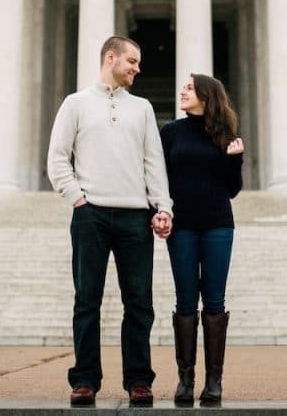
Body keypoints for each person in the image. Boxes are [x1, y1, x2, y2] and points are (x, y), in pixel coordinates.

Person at [47, 35, 174, 407]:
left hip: (136, 216)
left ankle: (139, 380)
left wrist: (162, 206)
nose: (137, 68)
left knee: (139, 302)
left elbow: (154, 162)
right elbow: (57, 157)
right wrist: (77, 199)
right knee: (87, 299)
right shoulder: (75, 104)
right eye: (132, 61)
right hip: (91, 215)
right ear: (110, 57)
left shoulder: (143, 108)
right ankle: (84, 380)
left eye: (138, 63)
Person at [159, 73, 244, 405]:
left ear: (207, 97)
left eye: (190, 88)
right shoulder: (170, 132)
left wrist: (234, 160)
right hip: (181, 225)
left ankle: (213, 382)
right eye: (184, 86)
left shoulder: (225, 134)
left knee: (214, 301)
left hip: (218, 224)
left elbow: (233, 189)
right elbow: (160, 176)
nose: (183, 91)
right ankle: (185, 380)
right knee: (184, 301)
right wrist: (159, 210)